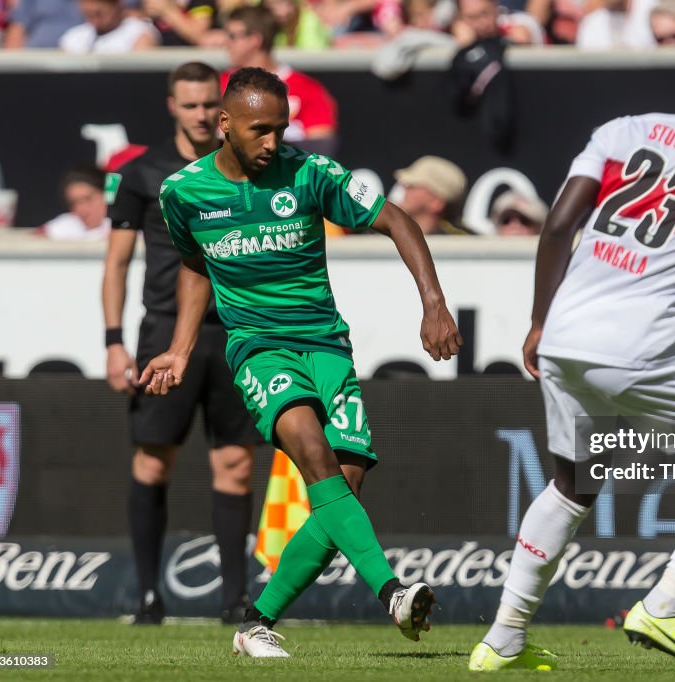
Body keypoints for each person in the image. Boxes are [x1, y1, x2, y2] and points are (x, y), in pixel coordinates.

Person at [469, 37, 675, 672]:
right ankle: (665, 606)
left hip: (563, 336)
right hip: (639, 346)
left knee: (574, 480)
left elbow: (558, 226)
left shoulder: (622, 130)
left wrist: (537, 322)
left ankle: (502, 639)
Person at [140, 67, 463, 657]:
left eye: (281, 129)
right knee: (313, 455)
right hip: (258, 348)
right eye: (260, 130)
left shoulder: (311, 175)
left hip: (326, 346)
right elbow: (195, 265)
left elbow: (397, 220)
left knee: (344, 486)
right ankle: (391, 592)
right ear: (225, 124)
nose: (273, 142)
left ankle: (255, 622)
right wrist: (180, 348)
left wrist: (434, 305)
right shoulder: (182, 192)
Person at [102, 62, 260, 626]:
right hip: (164, 333)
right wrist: (114, 342)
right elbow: (116, 263)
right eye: (188, 104)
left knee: (236, 464)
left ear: (221, 109)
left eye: (205, 105)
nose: (198, 115)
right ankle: (148, 596)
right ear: (172, 104)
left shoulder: (246, 167)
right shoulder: (141, 174)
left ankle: (235, 601)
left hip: (235, 334)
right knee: (152, 460)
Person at [222, 5, 338, 155]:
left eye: (232, 36)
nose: (225, 43)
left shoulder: (307, 88)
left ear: (255, 40)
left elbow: (320, 150)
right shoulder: (220, 85)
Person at [393, 156, 471, 235]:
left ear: (436, 203)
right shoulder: (388, 232)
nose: (404, 188)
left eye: (412, 185)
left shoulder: (462, 244)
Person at [59, 0, 160, 52]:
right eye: (89, 15)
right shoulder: (73, 36)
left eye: (99, 14)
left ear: (116, 5)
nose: (95, 21)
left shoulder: (139, 33)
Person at [40, 167, 111, 240]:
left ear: (108, 195)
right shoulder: (67, 224)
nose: (81, 209)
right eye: (73, 203)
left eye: (87, 199)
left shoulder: (120, 225)